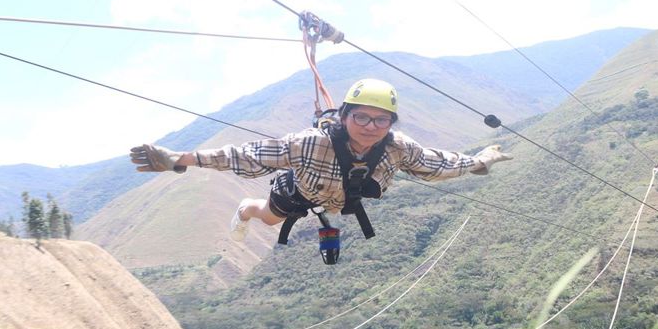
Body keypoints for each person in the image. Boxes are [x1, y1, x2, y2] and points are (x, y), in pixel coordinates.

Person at [130, 79, 512, 242]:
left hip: (345, 199)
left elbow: (439, 164)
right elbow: (245, 155)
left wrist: (480, 161)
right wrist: (178, 159)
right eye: (360, 116)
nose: (370, 126)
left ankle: (270, 212)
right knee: (268, 217)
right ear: (345, 116)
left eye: (380, 119)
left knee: (321, 213)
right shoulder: (310, 144)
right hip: (299, 193)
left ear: (391, 123)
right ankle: (245, 211)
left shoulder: (398, 147)